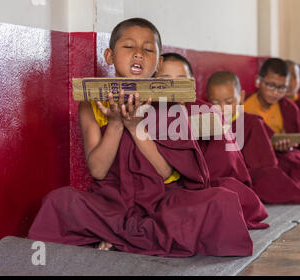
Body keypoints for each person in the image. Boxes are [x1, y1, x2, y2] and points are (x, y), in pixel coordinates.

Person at [28, 18, 260, 257]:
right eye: (129, 47)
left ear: (158, 63)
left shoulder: (170, 103)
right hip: (113, 201)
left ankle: (113, 237)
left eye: (148, 50)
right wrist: (117, 123)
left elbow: (167, 174)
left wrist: (136, 128)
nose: (138, 54)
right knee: (59, 202)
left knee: (222, 202)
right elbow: (97, 171)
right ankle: (130, 236)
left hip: (163, 200)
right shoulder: (93, 103)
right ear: (109, 55)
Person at [155, 52, 269, 229]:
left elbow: (226, 161)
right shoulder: (148, 112)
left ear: (192, 82)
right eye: (165, 78)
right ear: (153, 82)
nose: (174, 85)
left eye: (181, 78)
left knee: (225, 196)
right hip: (171, 186)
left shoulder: (206, 111)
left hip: (209, 181)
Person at [206, 71, 300, 204]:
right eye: (215, 103)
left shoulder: (251, 122)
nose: (222, 108)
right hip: (219, 177)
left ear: (241, 97)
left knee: (270, 179)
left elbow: (265, 162)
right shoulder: (204, 123)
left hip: (248, 175)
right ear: (207, 99)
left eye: (229, 102)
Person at [243, 58, 300, 191]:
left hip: (280, 156)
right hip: (252, 159)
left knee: (296, 165)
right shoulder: (244, 105)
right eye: (270, 85)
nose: (275, 92)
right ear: (258, 81)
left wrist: (287, 147)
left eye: (282, 88)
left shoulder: (290, 109)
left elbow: (299, 147)